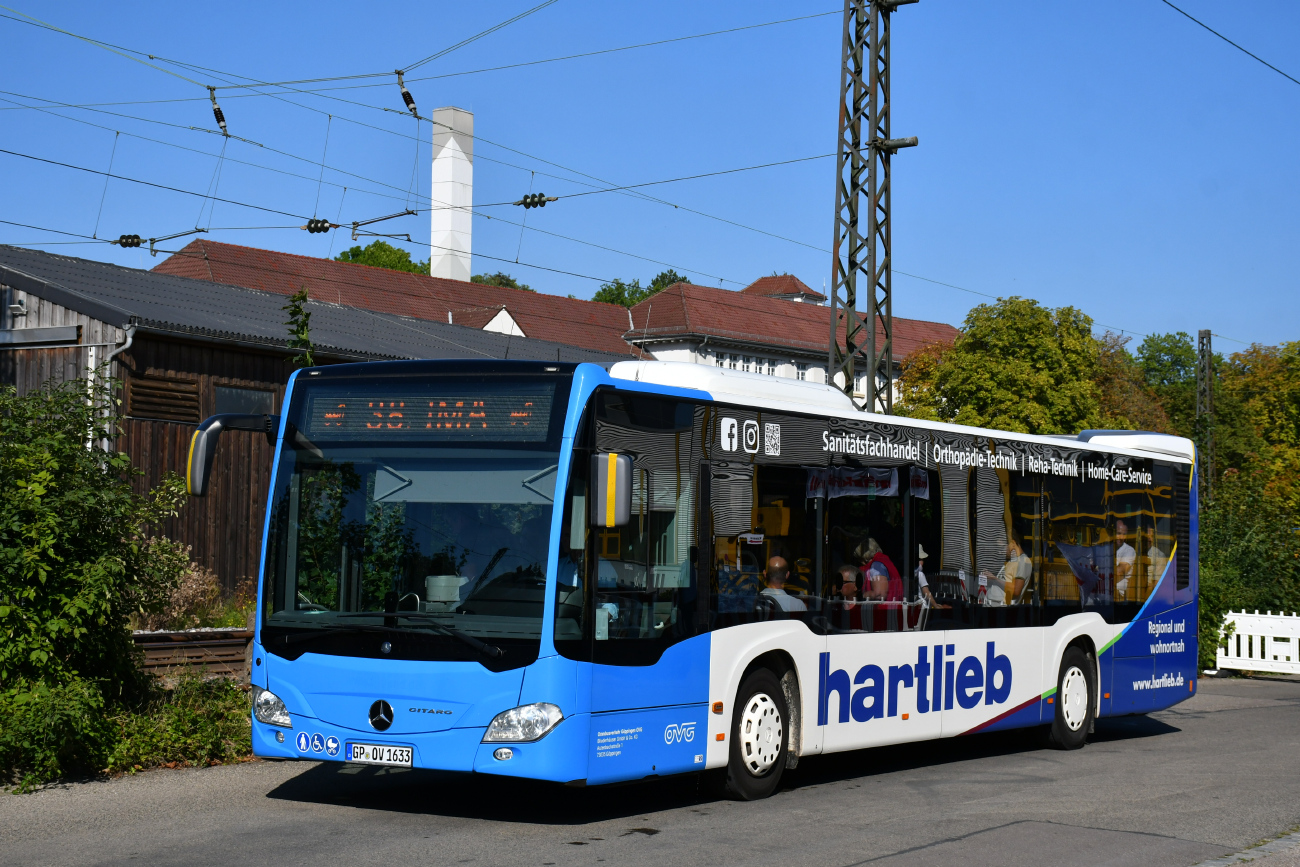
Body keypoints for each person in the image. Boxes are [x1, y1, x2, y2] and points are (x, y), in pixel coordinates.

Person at [1114, 519, 1136, 599]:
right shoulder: (1107, 548)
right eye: (1118, 533)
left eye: (1124, 534)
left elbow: (1119, 571)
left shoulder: (1129, 550)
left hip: (1119, 596)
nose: (1121, 537)